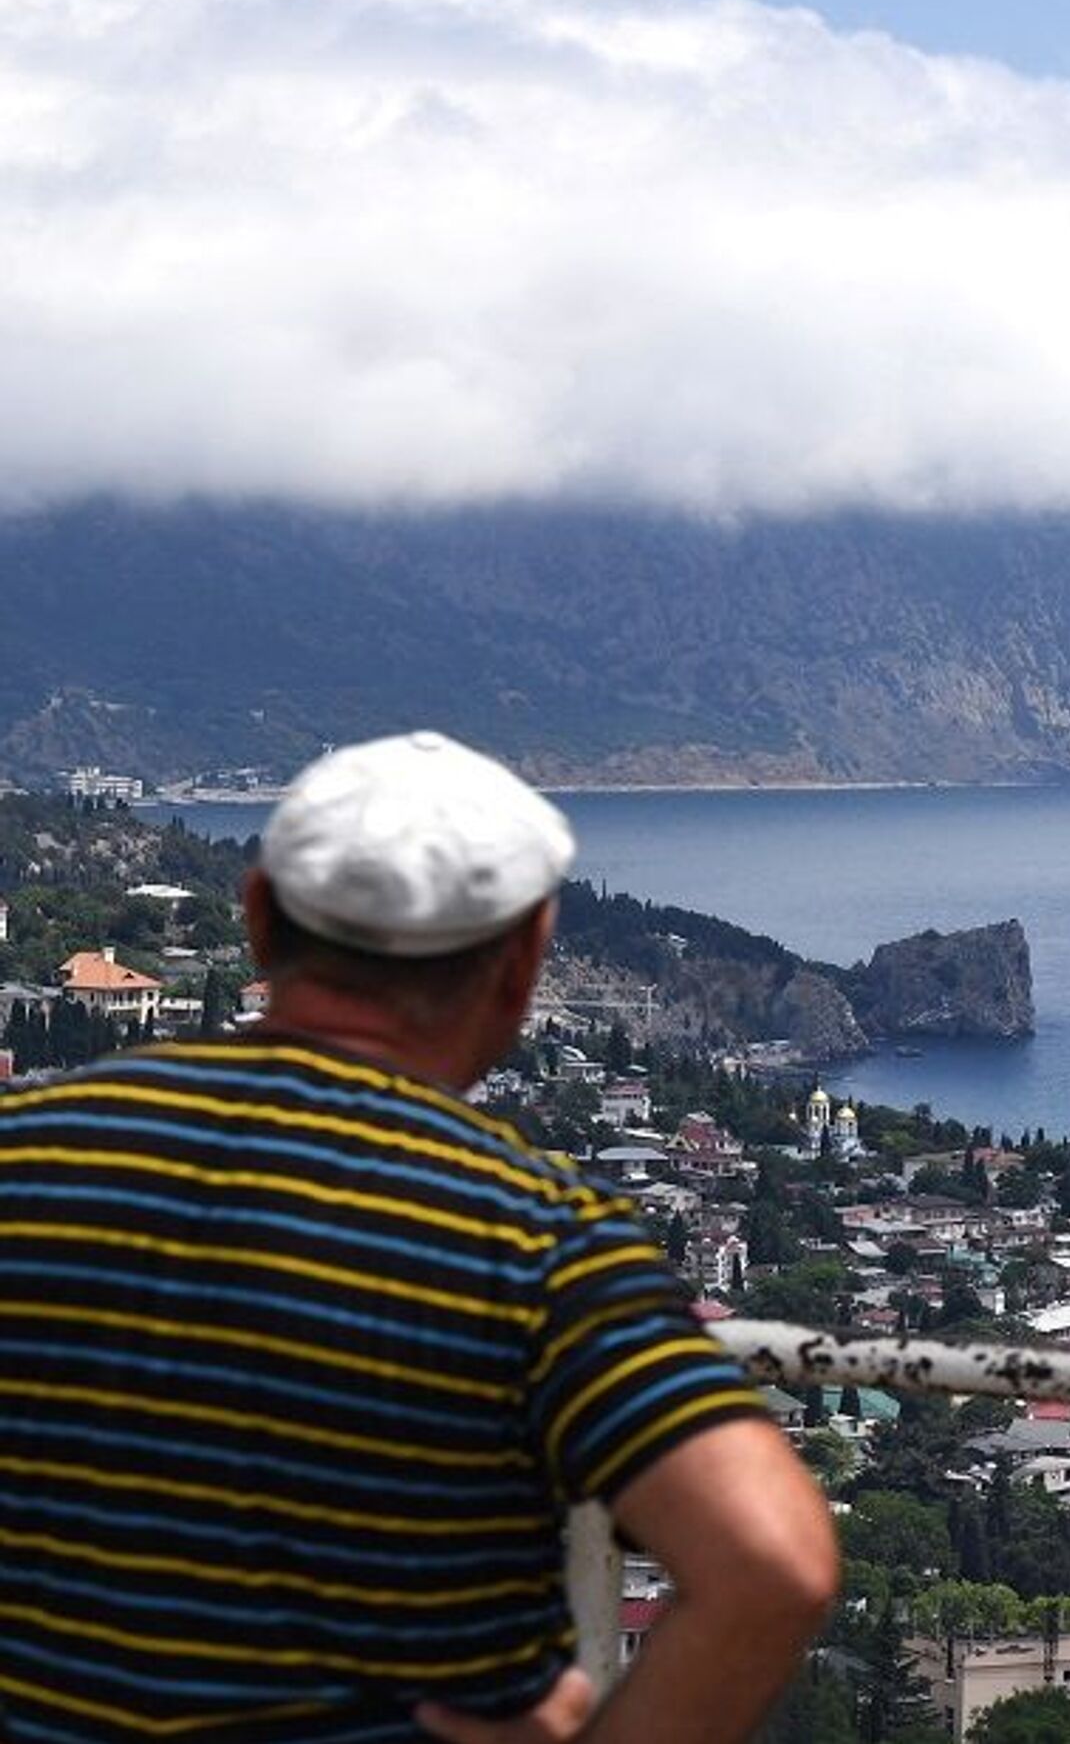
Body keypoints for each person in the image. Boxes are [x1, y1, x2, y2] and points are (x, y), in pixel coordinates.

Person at [0, 730, 838, 1743]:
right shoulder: (531, 1241)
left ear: (259, 918)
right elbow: (771, 1560)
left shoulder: (29, 1153)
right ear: (524, 959)